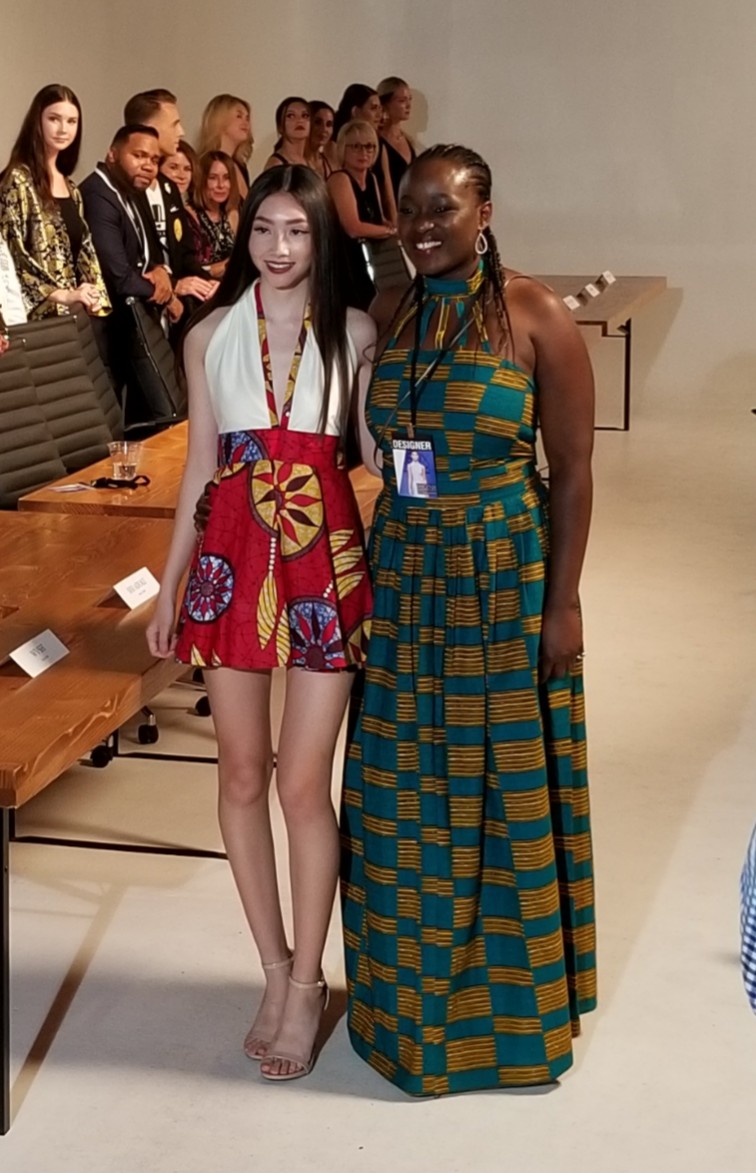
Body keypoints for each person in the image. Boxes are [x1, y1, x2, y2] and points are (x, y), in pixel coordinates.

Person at [341, 144, 597, 1096]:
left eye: (442, 207)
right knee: (400, 792)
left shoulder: (534, 313)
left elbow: (573, 470)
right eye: (409, 208)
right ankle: (406, 1012)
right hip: (407, 572)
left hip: (503, 577)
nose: (422, 225)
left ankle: (513, 1024)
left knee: (500, 789)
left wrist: (562, 603)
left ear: (484, 213)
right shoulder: (391, 309)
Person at [146, 165, 374, 1082]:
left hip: (324, 559)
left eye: (297, 231)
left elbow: (375, 454)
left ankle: (310, 982)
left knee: (302, 785)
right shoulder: (209, 336)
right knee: (241, 773)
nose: (278, 249)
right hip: (231, 559)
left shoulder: (355, 332)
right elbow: (200, 466)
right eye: (264, 230)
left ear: (321, 237)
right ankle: (274, 971)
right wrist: (170, 585)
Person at [0, 84, 110, 321]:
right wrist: (59, 294)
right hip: (31, 319)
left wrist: (92, 292)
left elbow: (85, 251)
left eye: (72, 121)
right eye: (54, 119)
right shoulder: (18, 180)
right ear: (37, 121)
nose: (63, 129)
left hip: (72, 316)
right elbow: (12, 254)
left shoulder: (71, 188)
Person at [122, 89, 208, 305]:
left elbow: (185, 254)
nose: (181, 132)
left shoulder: (169, 188)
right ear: (149, 129)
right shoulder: (125, 190)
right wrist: (174, 285)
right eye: (174, 124)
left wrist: (210, 284)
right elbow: (130, 263)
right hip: (143, 306)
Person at [327, 120, 396, 311]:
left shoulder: (372, 178)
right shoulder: (339, 179)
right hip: (346, 263)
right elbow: (353, 227)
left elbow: (378, 219)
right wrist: (390, 231)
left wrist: (393, 227)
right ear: (343, 148)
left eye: (369, 146)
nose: (364, 152)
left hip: (372, 261)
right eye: (356, 146)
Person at [333, 84, 396, 223]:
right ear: (355, 111)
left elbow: (388, 192)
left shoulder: (380, 146)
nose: (379, 115)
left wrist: (394, 226)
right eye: (373, 108)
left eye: (380, 109)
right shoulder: (335, 146)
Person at [192, 151, 239, 279]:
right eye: (213, 178)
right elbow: (191, 269)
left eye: (226, 178)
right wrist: (227, 265)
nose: (221, 185)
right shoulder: (190, 214)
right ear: (202, 180)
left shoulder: (232, 214)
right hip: (201, 285)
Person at [198, 94, 253, 198]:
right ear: (219, 119)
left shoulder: (241, 166)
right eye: (239, 116)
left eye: (247, 118)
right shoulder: (206, 164)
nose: (246, 122)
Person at [377, 76, 416, 203]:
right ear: (385, 104)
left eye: (409, 99)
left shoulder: (407, 139)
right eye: (402, 101)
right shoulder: (377, 140)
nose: (408, 105)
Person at [263, 98, 315, 171]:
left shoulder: (309, 161)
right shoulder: (276, 164)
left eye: (305, 115)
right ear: (280, 126)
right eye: (291, 116)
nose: (300, 120)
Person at [308, 101, 335, 180]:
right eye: (317, 122)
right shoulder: (293, 161)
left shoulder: (330, 161)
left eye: (329, 124)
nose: (324, 129)